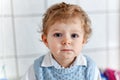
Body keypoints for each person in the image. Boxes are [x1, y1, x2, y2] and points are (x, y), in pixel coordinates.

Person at [21, 2, 101, 80]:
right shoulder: (37, 70)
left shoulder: (90, 69)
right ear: (45, 40)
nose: (66, 41)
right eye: (58, 35)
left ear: (83, 41)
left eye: (74, 35)